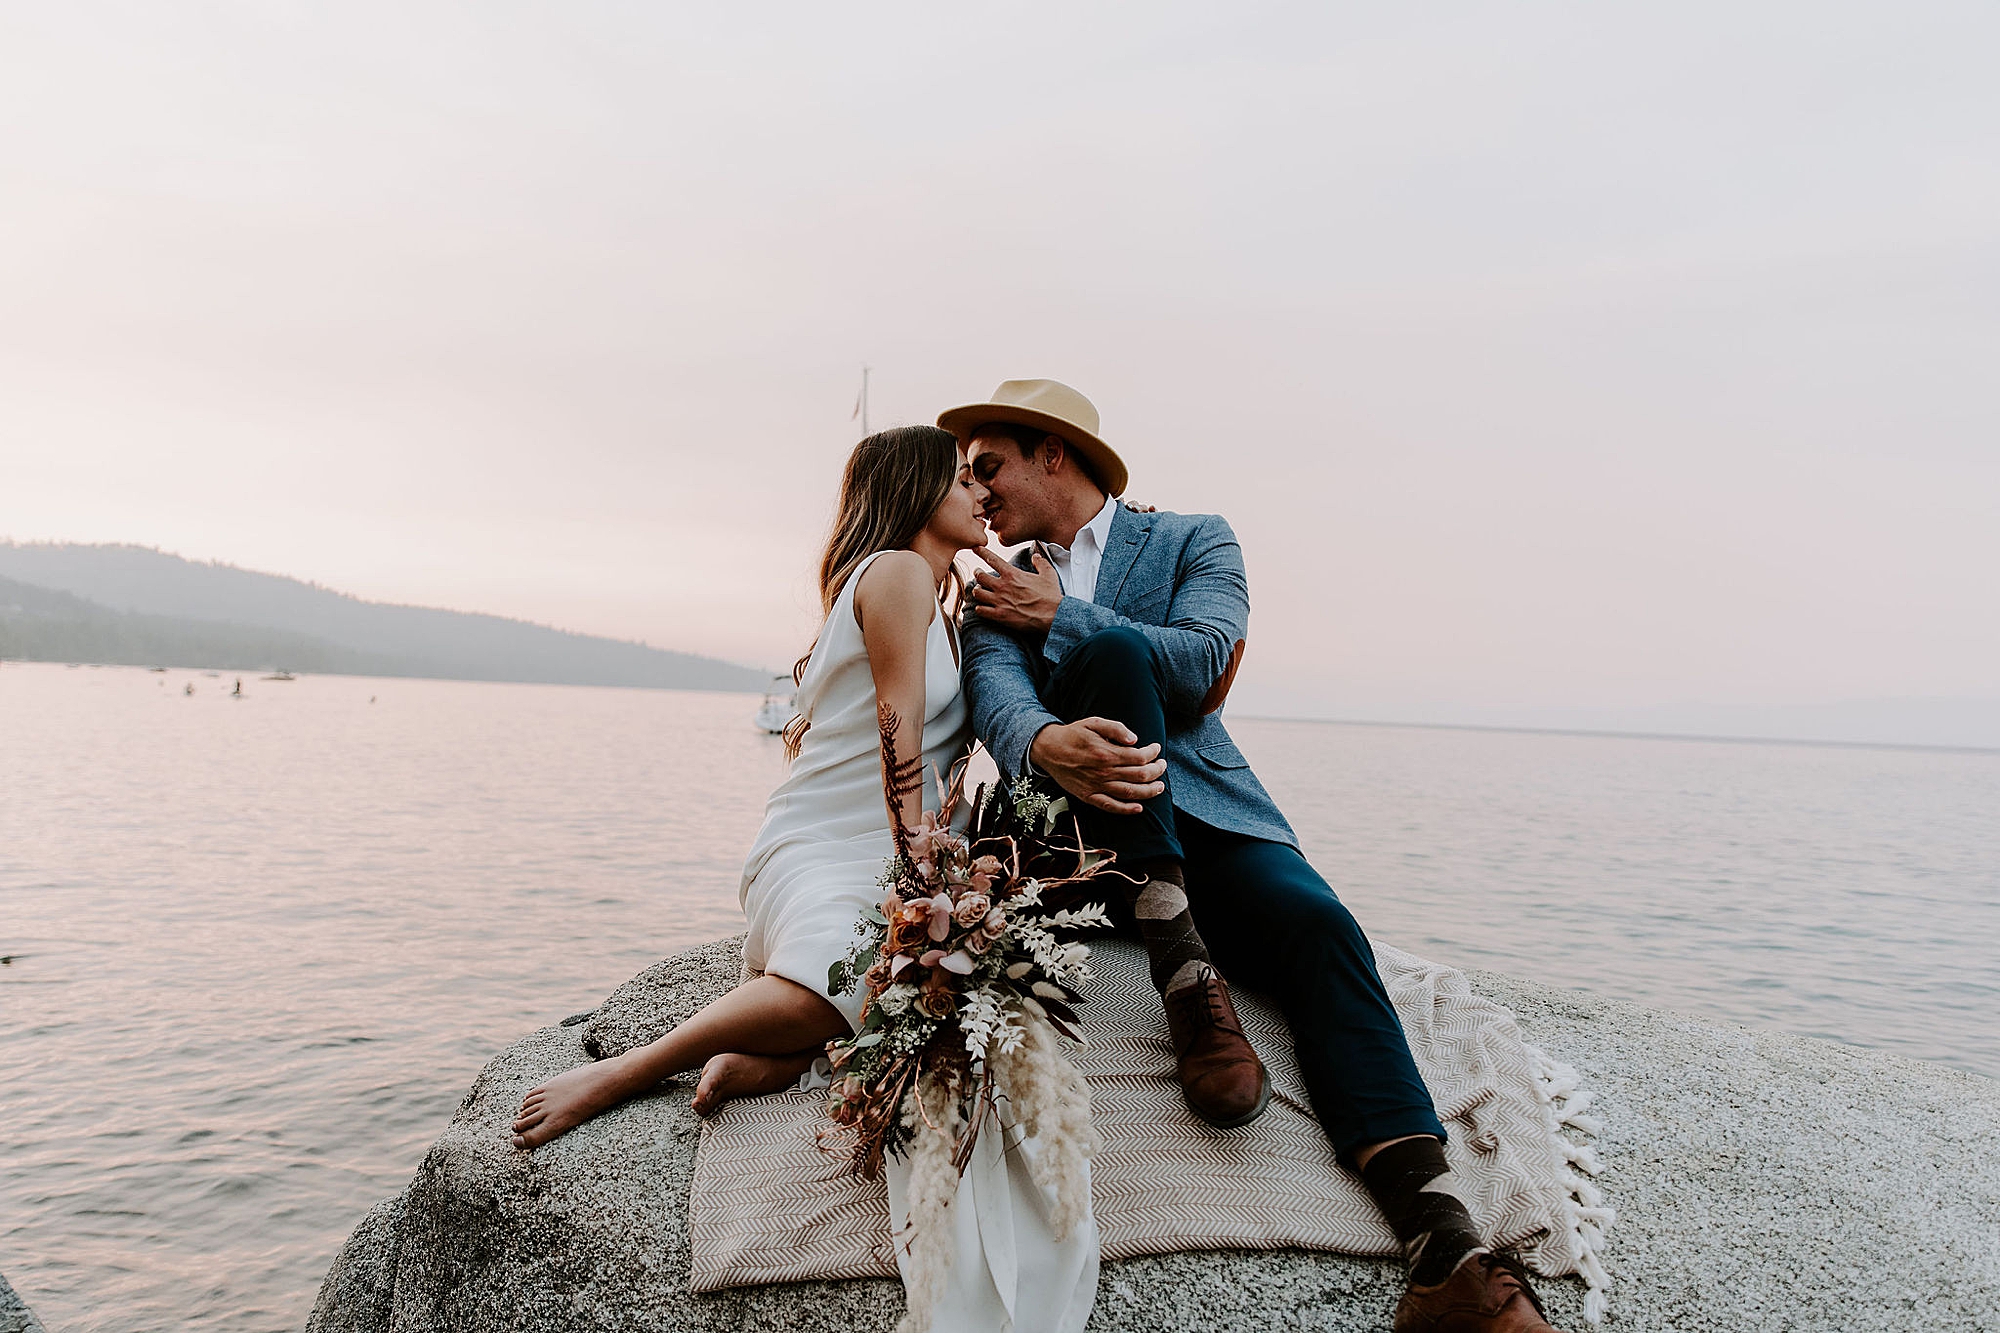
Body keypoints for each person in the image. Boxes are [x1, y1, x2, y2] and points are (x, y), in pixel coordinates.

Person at [948, 379, 1569, 1333]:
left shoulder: (1196, 537)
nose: (974, 491)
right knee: (1111, 666)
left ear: (1053, 454)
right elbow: (994, 696)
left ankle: (1446, 1249)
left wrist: (1062, 619)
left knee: (1320, 924)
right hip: (1070, 835)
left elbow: (1201, 658)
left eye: (987, 466)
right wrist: (1042, 745)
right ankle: (1189, 982)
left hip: (1201, 810)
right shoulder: (995, 582)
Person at [510, 425, 1099, 1333]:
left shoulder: (940, 602)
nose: (982, 491)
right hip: (830, 841)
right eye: (961, 478)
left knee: (907, 992)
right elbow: (899, 729)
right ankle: (631, 1070)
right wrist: (922, 869)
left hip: (873, 839)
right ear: (913, 491)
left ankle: (784, 1052)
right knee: (856, 965)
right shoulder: (897, 571)